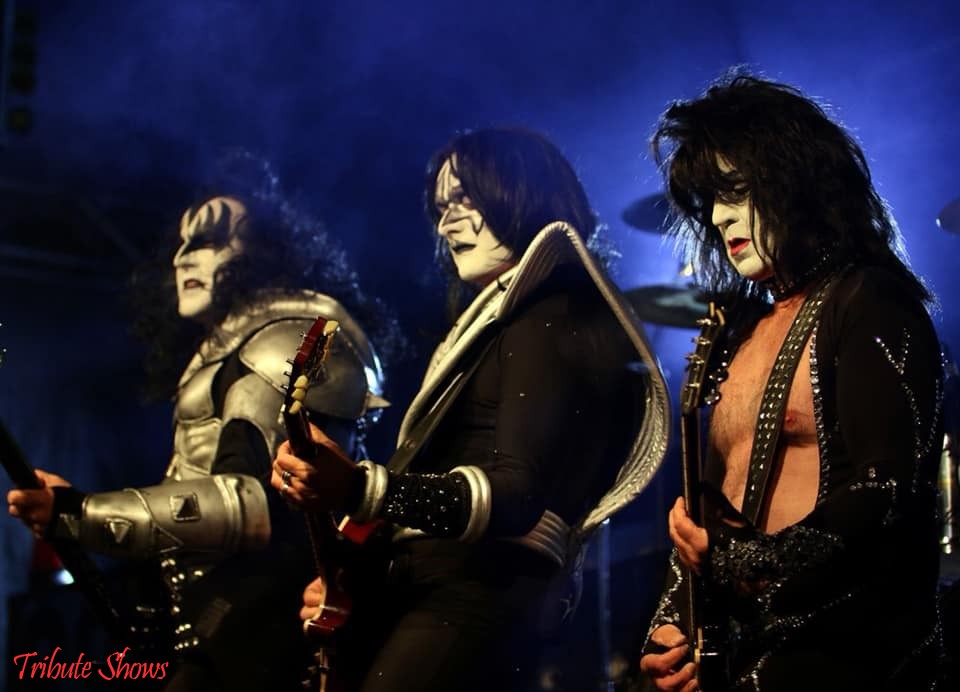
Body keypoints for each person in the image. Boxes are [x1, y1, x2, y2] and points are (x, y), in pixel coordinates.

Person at [270, 127, 671, 691]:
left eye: (465, 198)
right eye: (441, 208)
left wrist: (358, 486)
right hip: (445, 594)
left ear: (525, 188)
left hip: (475, 595)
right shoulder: (509, 322)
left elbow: (516, 497)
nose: (446, 223)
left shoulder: (553, 312)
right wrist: (351, 575)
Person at [7, 151, 391, 691]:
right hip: (221, 619)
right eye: (183, 243)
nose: (183, 258)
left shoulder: (281, 341)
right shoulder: (227, 351)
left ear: (261, 252)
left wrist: (81, 513)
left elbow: (252, 503)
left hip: (263, 620)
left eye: (207, 242)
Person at [638, 73, 944, 691]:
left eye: (735, 190)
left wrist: (741, 563)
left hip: (846, 654)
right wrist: (675, 625)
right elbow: (706, 512)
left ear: (796, 179)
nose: (719, 216)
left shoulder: (871, 301)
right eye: (710, 199)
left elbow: (885, 491)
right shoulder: (740, 329)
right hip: (743, 649)